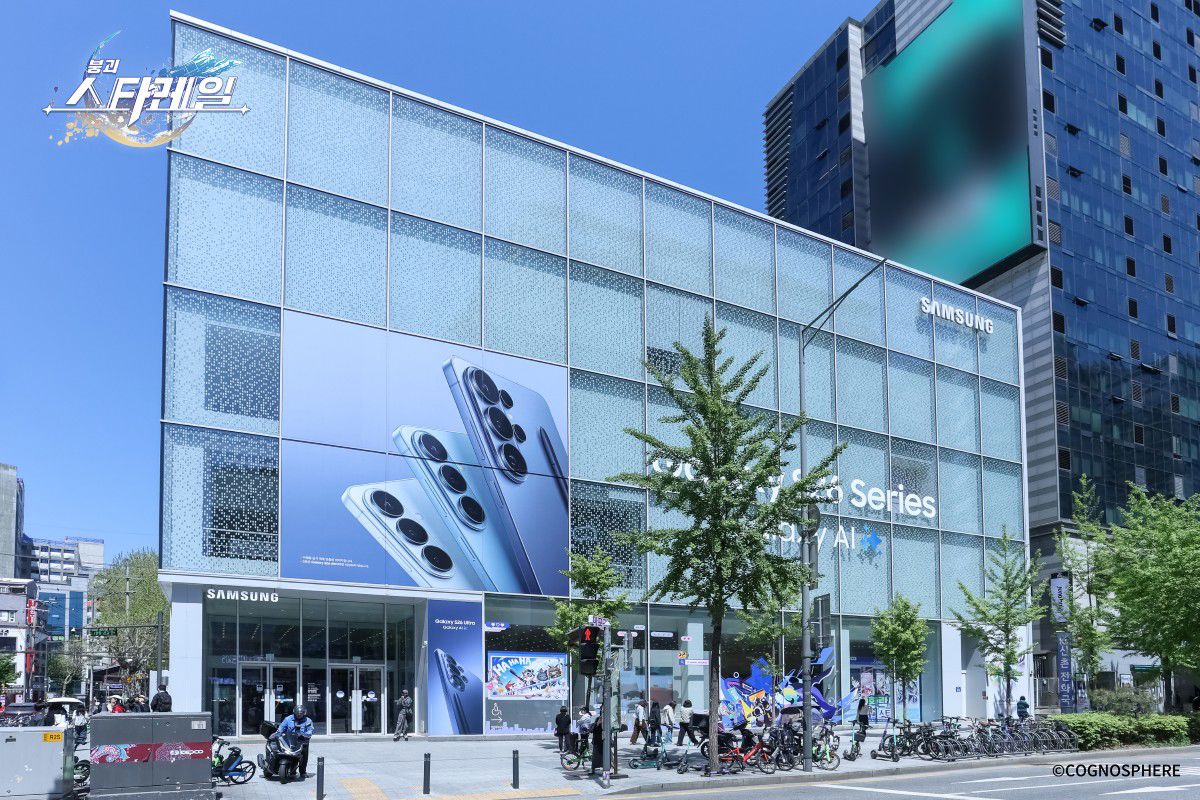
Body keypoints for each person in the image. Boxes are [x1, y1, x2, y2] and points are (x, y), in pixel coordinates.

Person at [272, 705, 314, 780]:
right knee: (286, 752)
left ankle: (303, 772)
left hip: (302, 740)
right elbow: (281, 728)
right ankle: (290, 770)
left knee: (304, 755)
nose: (299, 715)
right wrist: (278, 733)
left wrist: (304, 735)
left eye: (301, 714)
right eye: (298, 714)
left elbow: (310, 731)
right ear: (294, 713)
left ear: (304, 713)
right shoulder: (288, 719)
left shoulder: (308, 721)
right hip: (289, 739)